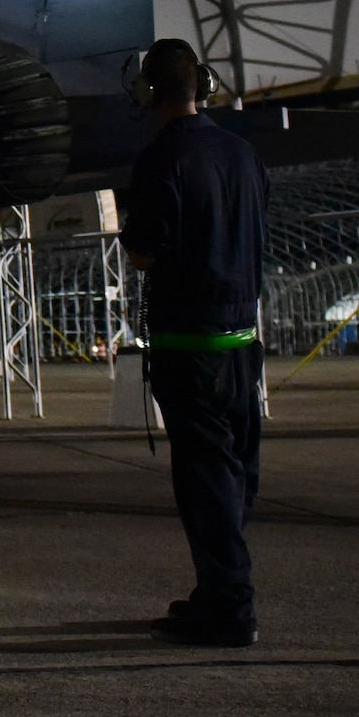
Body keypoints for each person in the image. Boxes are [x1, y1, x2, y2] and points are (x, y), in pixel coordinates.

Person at [119, 37, 270, 647]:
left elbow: (145, 250)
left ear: (149, 93)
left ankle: (230, 608)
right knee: (236, 474)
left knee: (205, 479)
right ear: (203, 86)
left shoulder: (162, 159)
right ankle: (218, 589)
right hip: (243, 344)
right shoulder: (243, 153)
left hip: (191, 344)